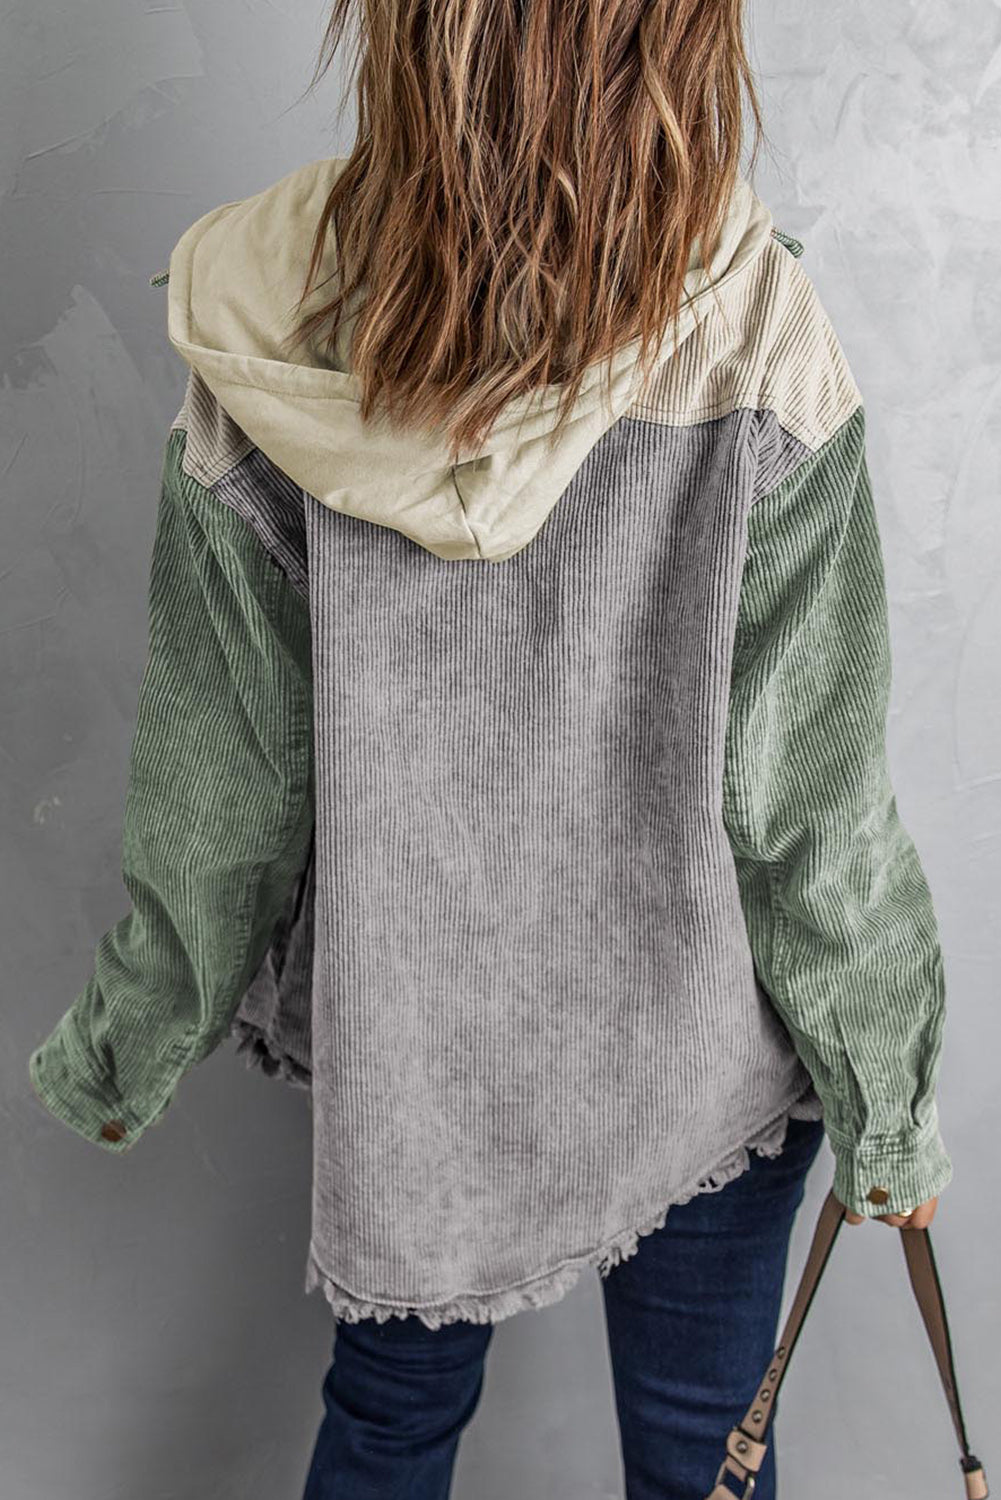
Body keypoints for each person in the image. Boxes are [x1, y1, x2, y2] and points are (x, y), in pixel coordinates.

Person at [27, 0, 951, 1495]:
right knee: (705, 1440)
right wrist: (887, 1102)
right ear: (675, 50)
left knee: (388, 1426)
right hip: (697, 1036)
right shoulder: (755, 326)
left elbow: (228, 780)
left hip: (417, 1049)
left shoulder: (263, 316)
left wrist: (131, 1040)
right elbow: (808, 800)